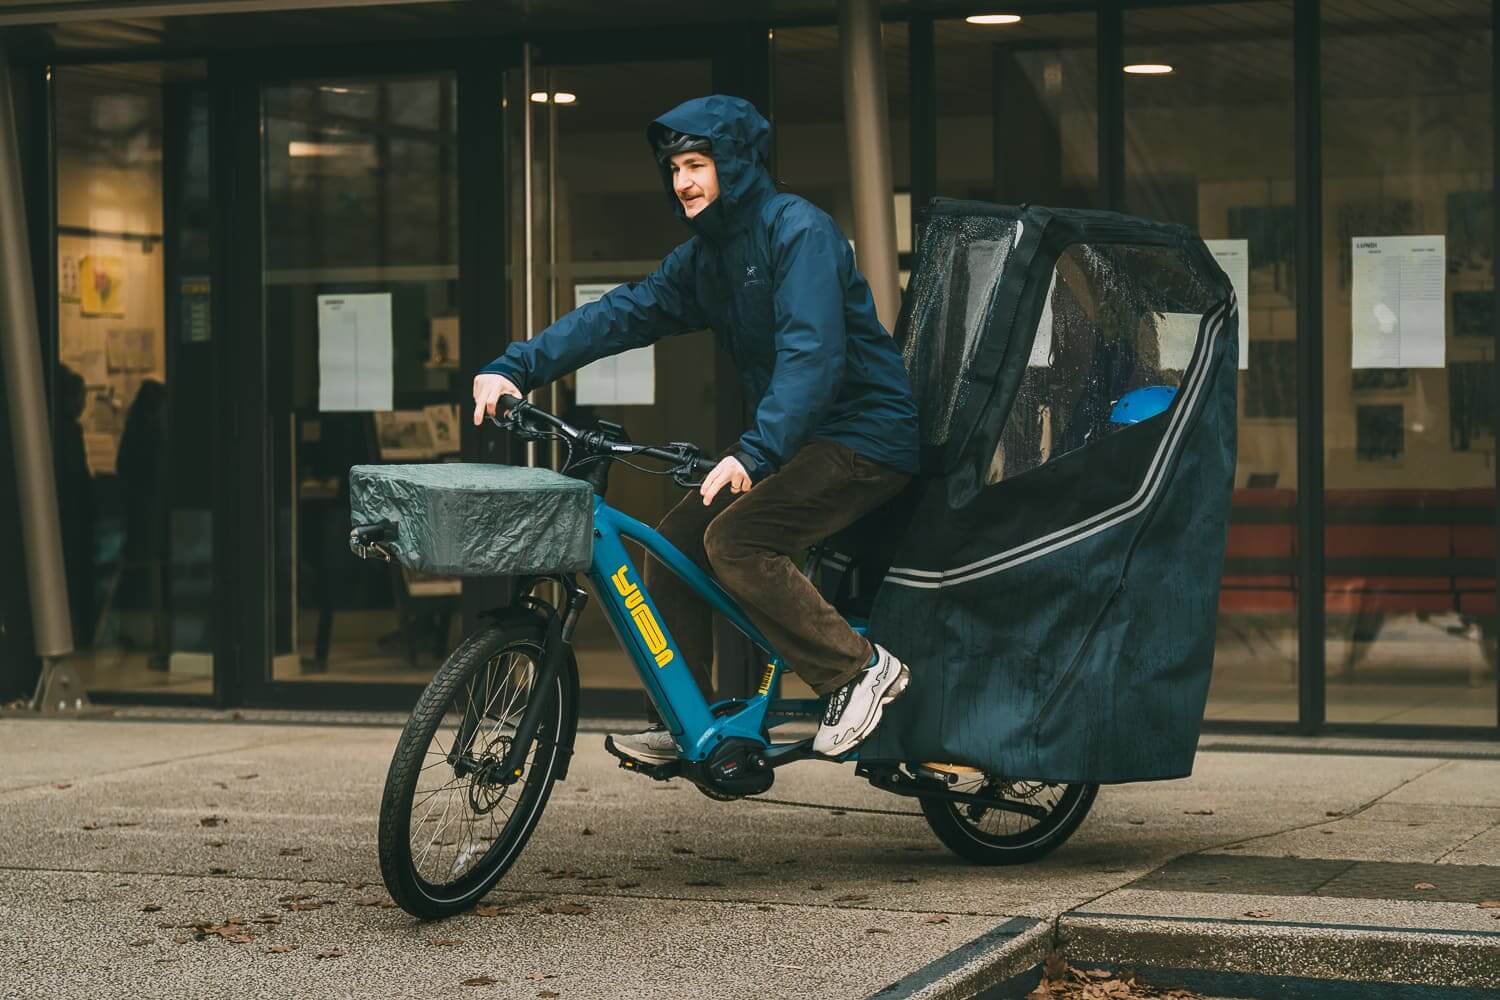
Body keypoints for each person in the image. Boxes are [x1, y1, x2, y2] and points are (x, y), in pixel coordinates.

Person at [473, 95, 920, 761]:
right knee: (677, 542)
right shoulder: (707, 258)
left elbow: (813, 356)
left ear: (734, 164)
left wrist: (757, 451)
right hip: (799, 440)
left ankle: (857, 670)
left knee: (736, 539)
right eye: (674, 168)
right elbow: (619, 314)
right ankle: (693, 719)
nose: (682, 181)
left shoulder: (799, 233)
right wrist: (517, 367)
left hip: (865, 439)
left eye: (696, 164)